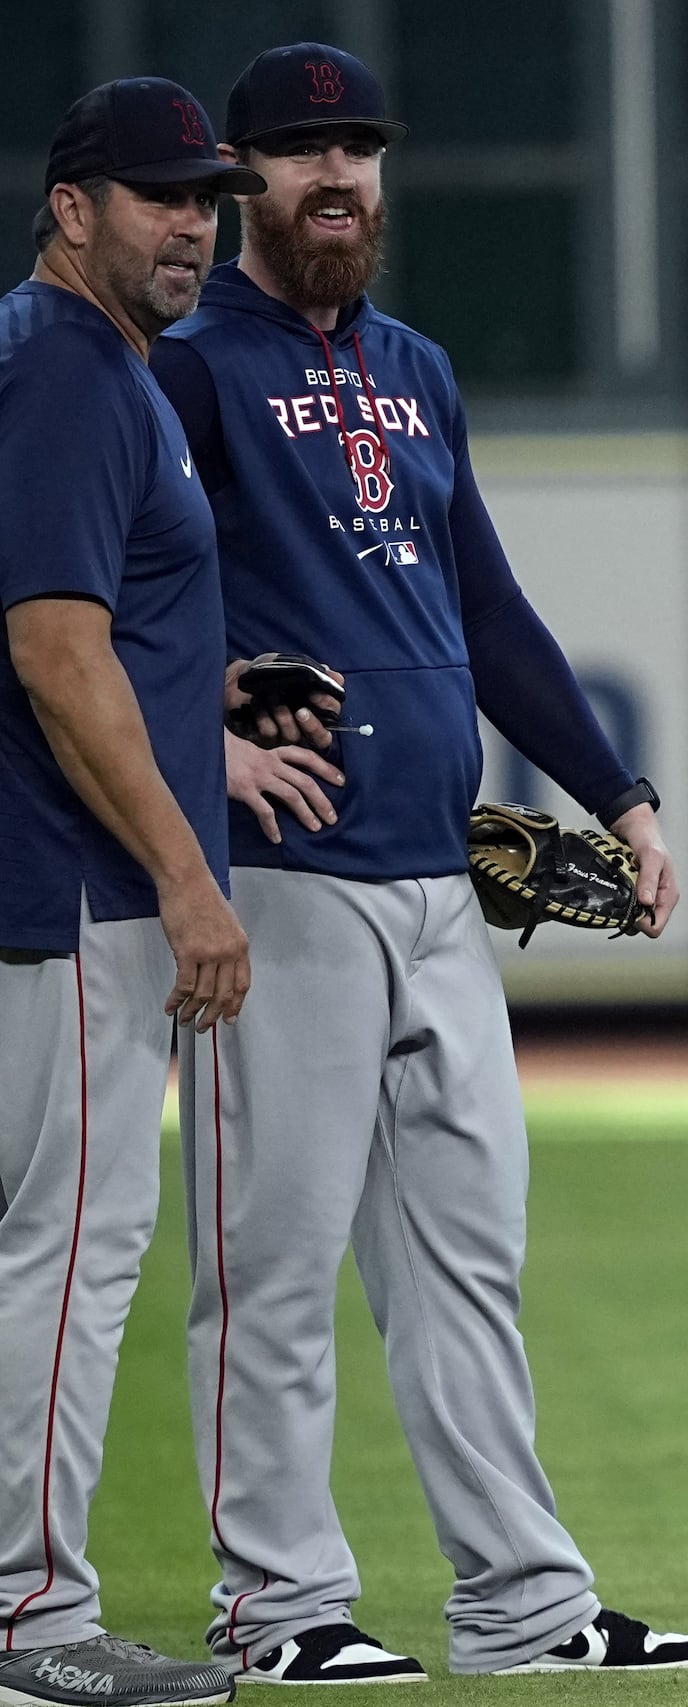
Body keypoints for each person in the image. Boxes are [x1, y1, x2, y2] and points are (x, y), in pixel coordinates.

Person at [146, 43, 688, 1684]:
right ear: (242, 180)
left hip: (438, 878)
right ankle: (278, 1611)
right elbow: (123, 609)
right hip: (283, 879)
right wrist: (204, 749)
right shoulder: (186, 371)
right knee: (268, 1271)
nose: (339, 176)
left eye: (360, 150)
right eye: (302, 150)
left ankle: (523, 1607)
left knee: (469, 1264)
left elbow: (486, 605)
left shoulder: (416, 366)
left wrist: (621, 795)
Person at [0, 79, 268, 1707]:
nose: (195, 224)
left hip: (48, 873)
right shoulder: (74, 370)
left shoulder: (70, 362)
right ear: (72, 205)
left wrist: (209, 725)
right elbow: (51, 643)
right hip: (77, 891)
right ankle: (32, 1627)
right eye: (162, 195)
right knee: (73, 1256)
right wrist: (186, 874)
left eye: (207, 198)